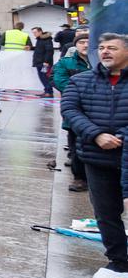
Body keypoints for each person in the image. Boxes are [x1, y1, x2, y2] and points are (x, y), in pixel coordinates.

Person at [60, 32, 128, 278]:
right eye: (101, 48)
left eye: (112, 48)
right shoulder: (81, 81)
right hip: (97, 157)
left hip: (126, 152)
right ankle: (118, 261)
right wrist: (96, 134)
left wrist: (120, 137)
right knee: (106, 213)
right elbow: (69, 110)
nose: (105, 52)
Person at [53, 30, 91, 192]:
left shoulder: (100, 61)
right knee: (76, 147)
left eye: (89, 41)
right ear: (75, 45)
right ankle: (79, 178)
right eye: (82, 42)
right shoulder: (66, 62)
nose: (86, 45)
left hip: (99, 112)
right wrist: (86, 92)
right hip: (75, 111)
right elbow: (59, 81)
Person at [33, 27, 56, 96]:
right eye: (33, 33)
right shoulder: (40, 39)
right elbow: (40, 49)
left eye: (35, 32)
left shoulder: (46, 39)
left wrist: (46, 61)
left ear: (40, 32)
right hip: (39, 62)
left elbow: (49, 51)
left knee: (45, 77)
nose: (34, 34)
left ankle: (49, 92)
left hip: (44, 63)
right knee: (43, 77)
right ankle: (47, 91)